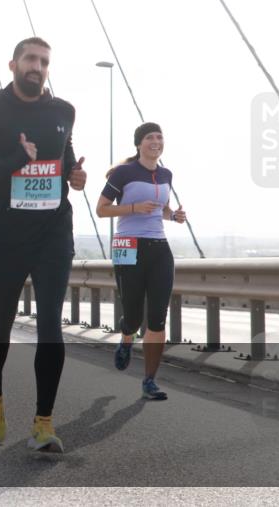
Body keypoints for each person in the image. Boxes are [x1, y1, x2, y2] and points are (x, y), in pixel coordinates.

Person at [0, 36, 87, 453]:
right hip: (7, 237)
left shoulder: (64, 111)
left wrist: (75, 176)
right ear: (13, 64)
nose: (37, 67)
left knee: (50, 325)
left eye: (44, 61)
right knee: (1, 321)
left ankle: (44, 423)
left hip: (53, 234)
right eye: (30, 59)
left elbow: (65, 159)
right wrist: (15, 160)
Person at [97, 123, 186, 401]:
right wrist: (134, 208)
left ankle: (149, 381)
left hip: (159, 248)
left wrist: (174, 216)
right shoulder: (124, 173)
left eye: (160, 136)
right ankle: (127, 338)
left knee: (157, 319)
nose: (156, 141)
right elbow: (101, 209)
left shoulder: (166, 174)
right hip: (128, 245)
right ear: (139, 144)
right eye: (150, 137)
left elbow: (162, 209)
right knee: (134, 316)